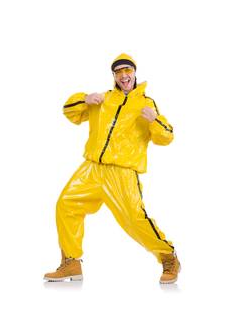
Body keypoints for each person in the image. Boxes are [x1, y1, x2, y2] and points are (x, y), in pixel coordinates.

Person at [43, 54, 180, 284]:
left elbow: (166, 137)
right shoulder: (103, 99)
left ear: (134, 73)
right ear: (114, 77)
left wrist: (155, 120)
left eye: (127, 70)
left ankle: (168, 256)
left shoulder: (145, 103)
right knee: (66, 204)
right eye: (118, 72)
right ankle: (71, 262)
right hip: (92, 168)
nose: (124, 75)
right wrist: (85, 99)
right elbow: (69, 111)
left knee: (134, 220)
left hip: (123, 172)